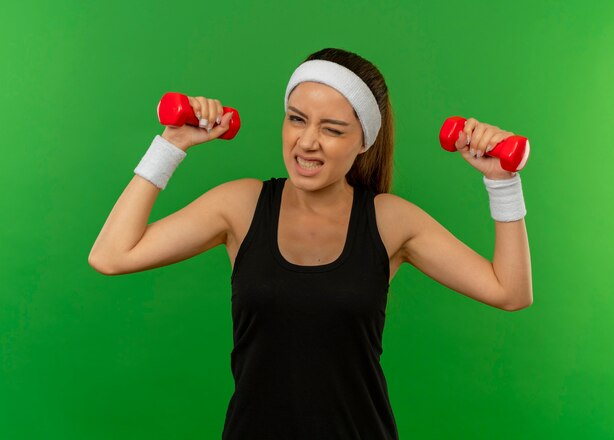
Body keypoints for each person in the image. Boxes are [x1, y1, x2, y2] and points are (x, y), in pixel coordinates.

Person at [88, 47, 532, 439]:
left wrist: (502, 182)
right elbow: (111, 255)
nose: (307, 141)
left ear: (364, 142)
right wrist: (172, 144)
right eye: (297, 119)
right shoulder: (240, 205)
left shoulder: (389, 220)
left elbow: (509, 292)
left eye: (333, 129)